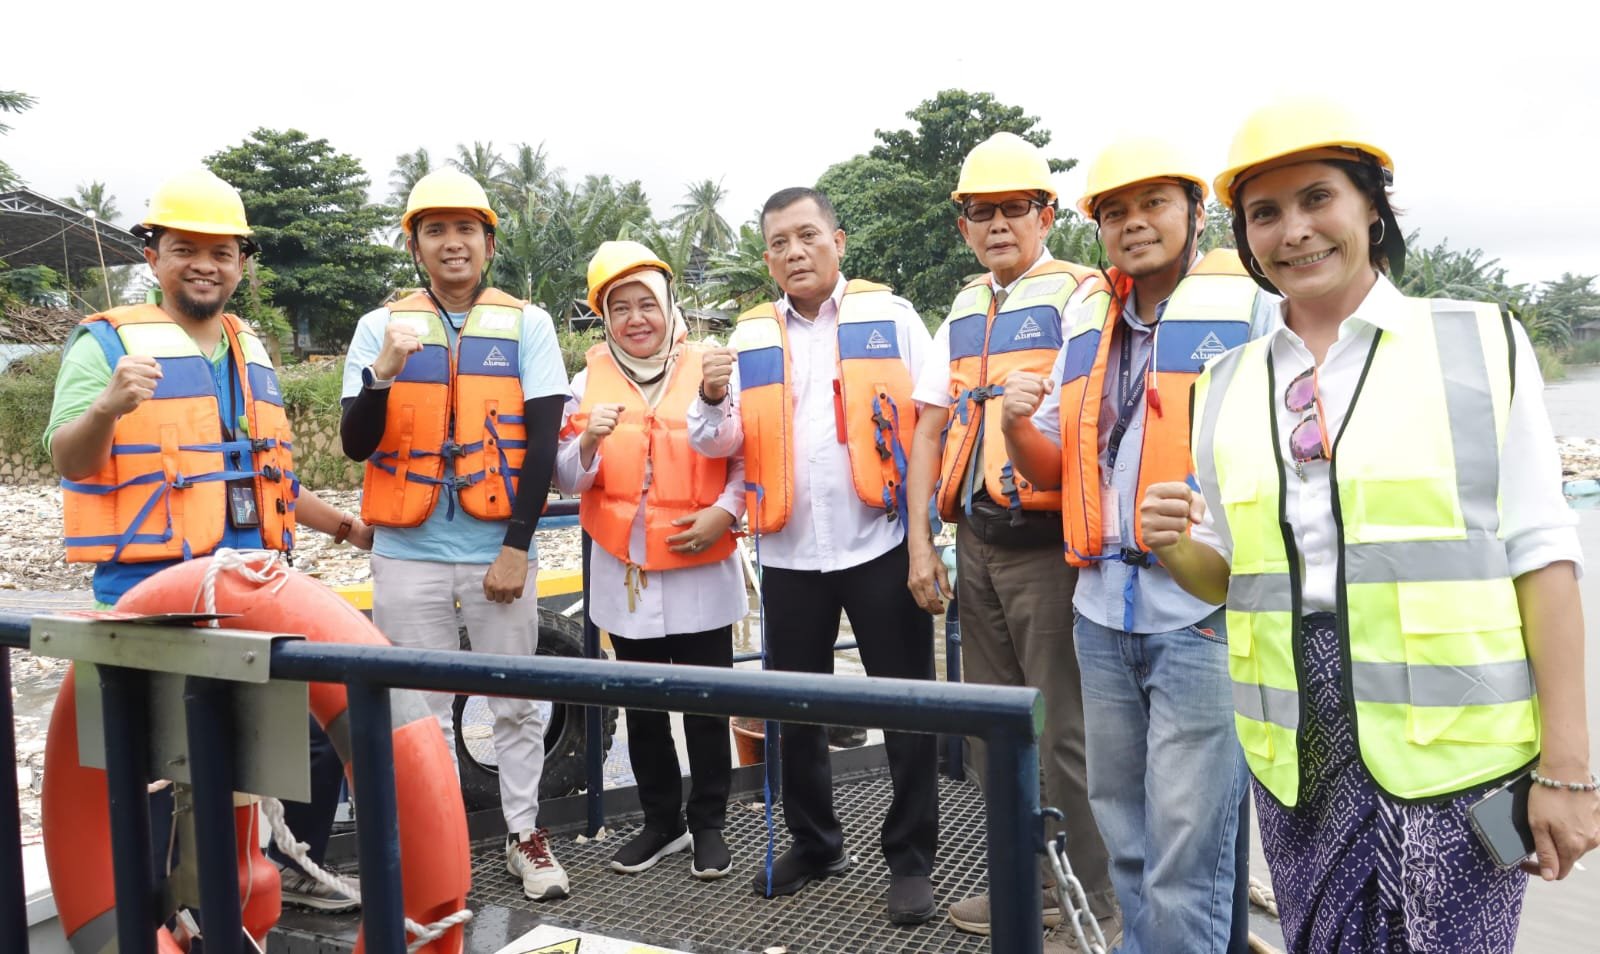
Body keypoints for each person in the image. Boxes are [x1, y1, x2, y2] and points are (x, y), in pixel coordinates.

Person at [1142, 97, 1600, 953]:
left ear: (1371, 208)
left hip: (1459, 755)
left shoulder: (1479, 343)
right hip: (1298, 758)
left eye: (1319, 198)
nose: (1295, 231)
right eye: (1265, 213)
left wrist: (1569, 773)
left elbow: (1544, 555)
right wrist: (1174, 545)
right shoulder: (1226, 385)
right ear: (1244, 236)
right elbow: (1233, 581)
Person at [44, 168, 372, 911]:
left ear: (241, 263)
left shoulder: (249, 348)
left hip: (253, 590)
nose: (204, 264)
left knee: (313, 741)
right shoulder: (105, 346)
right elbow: (69, 458)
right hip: (152, 599)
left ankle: (289, 865)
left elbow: (267, 477)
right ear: (153, 254)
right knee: (163, 763)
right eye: (185, 247)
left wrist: (347, 527)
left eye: (221, 252)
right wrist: (108, 406)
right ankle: (155, 909)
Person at [1001, 137, 1263, 953]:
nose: (1133, 223)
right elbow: (1050, 459)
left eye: (1153, 204)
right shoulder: (1089, 314)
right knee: (1127, 838)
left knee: (1189, 853)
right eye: (1114, 211)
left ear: (1195, 211)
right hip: (1100, 614)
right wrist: (1012, 423)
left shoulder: (1252, 307)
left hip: (1200, 617)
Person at [689, 187, 940, 925]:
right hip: (790, 548)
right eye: (778, 243)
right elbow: (718, 444)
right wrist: (709, 398)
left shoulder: (893, 320)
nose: (794, 252)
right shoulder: (748, 337)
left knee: (907, 706)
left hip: (881, 541)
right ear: (767, 258)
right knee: (794, 711)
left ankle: (911, 859)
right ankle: (816, 842)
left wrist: (930, 537)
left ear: (838, 239)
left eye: (807, 236)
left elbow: (934, 420)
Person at [902, 132, 1116, 939]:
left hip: (1049, 548)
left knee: (1063, 732)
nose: (996, 225)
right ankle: (1021, 884)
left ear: (1046, 213)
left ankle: (1090, 898)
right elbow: (928, 431)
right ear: (962, 225)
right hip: (978, 546)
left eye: (1012, 209)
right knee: (993, 734)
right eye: (979, 212)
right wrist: (923, 541)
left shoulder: (1078, 294)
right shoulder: (962, 307)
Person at [339, 169, 570, 900]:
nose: (452, 242)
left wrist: (515, 545)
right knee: (419, 711)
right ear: (415, 245)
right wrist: (383, 373)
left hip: (497, 548)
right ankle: (434, 849)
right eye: (435, 230)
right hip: (407, 551)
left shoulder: (528, 324)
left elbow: (539, 446)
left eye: (465, 228)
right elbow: (354, 443)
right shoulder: (381, 328)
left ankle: (525, 836)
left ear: (488, 242)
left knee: (518, 701)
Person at [556, 241, 744, 880]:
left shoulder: (714, 368)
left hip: (701, 564)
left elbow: (744, 459)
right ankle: (661, 822)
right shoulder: (585, 383)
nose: (637, 319)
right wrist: (586, 438)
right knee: (642, 706)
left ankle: (710, 823)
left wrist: (727, 511)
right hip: (626, 570)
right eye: (621, 308)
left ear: (670, 307)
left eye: (648, 305)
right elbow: (565, 480)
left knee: (706, 702)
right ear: (603, 318)